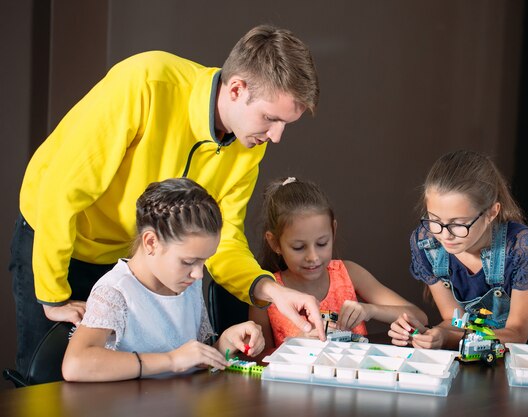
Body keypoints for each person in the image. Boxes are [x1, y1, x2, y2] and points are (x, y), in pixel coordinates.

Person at [10, 24, 323, 377]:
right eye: (271, 118)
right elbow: (62, 189)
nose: (276, 136)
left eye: (286, 124)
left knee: (121, 379)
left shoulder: (249, 143)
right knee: (44, 382)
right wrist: (53, 295)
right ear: (236, 89)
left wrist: (272, 291)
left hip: (130, 255)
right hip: (55, 239)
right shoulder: (146, 83)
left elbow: (226, 239)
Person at [62, 178, 264, 381]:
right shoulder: (115, 292)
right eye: (188, 261)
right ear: (151, 242)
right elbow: (75, 365)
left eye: (204, 261)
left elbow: (190, 361)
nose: (199, 274)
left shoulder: (188, 283)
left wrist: (224, 343)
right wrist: (171, 359)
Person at [389, 150, 528, 350]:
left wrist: (448, 337)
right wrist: (429, 334)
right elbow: (457, 322)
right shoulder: (428, 244)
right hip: (480, 343)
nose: (445, 235)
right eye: (435, 220)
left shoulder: (522, 247)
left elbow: (516, 335)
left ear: (492, 212)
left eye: (459, 224)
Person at [250, 177, 428, 348]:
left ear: (333, 231)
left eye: (322, 243)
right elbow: (260, 357)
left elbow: (420, 317)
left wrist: (370, 310)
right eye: (298, 247)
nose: (313, 257)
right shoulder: (266, 293)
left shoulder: (348, 273)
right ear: (275, 243)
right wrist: (298, 344)